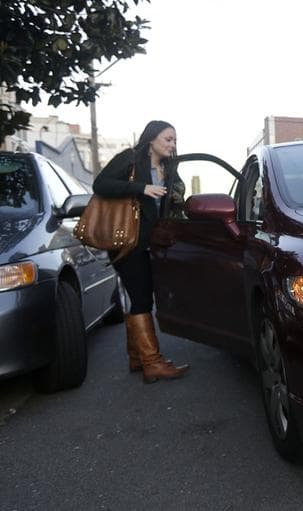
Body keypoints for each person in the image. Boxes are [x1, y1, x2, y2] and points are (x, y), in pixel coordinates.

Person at [93, 120, 189, 383]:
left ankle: (137, 357)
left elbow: (176, 194)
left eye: (174, 140)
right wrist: (141, 188)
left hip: (151, 242)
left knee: (140, 297)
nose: (172, 144)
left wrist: (178, 194)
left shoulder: (169, 166)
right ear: (151, 139)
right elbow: (100, 185)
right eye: (168, 139)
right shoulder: (130, 159)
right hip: (127, 241)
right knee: (142, 298)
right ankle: (152, 362)